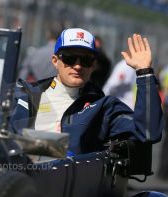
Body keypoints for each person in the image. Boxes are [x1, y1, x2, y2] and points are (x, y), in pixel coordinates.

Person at [10, 28, 163, 155]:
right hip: (14, 182)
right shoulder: (23, 95)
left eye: (86, 60)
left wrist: (145, 73)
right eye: (70, 58)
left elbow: (148, 133)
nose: (77, 66)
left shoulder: (104, 108)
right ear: (55, 61)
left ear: (93, 65)